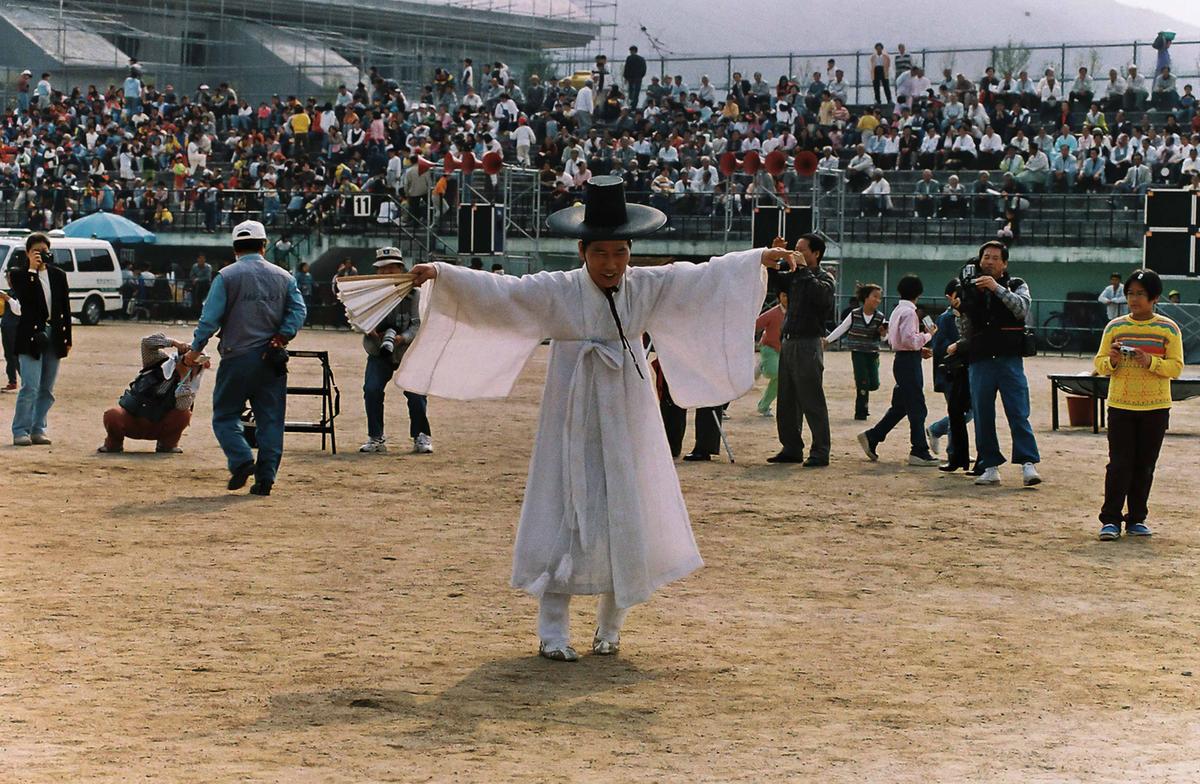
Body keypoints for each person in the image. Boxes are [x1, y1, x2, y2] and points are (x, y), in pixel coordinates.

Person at [396, 175, 792, 661]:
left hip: (628, 408)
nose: (611, 264)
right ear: (583, 251)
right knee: (562, 508)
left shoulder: (647, 285)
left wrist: (757, 260)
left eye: (620, 253)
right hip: (572, 409)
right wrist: (443, 273)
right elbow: (503, 292)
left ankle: (611, 626)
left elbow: (702, 276)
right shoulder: (556, 291)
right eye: (601, 253)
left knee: (625, 507)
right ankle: (552, 630)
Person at [184, 220, 307, 496]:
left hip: (236, 357)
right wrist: (282, 336)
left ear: (235, 247)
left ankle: (241, 459)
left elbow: (209, 320)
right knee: (271, 420)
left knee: (225, 415)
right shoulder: (285, 277)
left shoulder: (226, 276)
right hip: (272, 358)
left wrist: (195, 348)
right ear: (264, 245)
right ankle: (265, 479)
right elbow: (299, 312)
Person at [1093, 269, 1182, 540]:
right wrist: (1113, 360)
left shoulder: (1168, 328)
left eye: (1140, 294)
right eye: (1130, 293)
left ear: (1154, 298)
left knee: (1145, 465)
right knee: (1119, 463)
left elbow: (1176, 367)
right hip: (1121, 404)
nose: (1133, 299)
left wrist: (1151, 362)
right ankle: (1110, 520)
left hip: (1155, 407)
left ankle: (1136, 519)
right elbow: (1100, 364)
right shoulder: (1115, 326)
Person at [951, 241, 1041, 487]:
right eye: (985, 257)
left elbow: (1021, 310)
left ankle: (1028, 463)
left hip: (1009, 357)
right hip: (980, 359)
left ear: (1004, 264)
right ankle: (989, 465)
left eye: (994, 258)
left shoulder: (1016, 285)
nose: (989, 261)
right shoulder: (969, 289)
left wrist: (997, 288)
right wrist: (959, 311)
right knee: (982, 413)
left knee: (1018, 411)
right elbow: (965, 329)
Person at [856, 275, 939, 466]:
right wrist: (928, 335)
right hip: (908, 363)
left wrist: (918, 349)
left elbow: (897, 340)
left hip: (902, 359)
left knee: (901, 406)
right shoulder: (910, 313)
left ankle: (873, 436)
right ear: (919, 293)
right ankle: (919, 450)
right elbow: (910, 340)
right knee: (917, 406)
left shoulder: (897, 310)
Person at [769, 234, 835, 466]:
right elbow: (774, 280)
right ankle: (791, 447)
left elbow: (821, 298)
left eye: (801, 250)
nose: (796, 253)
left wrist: (804, 270)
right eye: (795, 249)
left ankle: (820, 451)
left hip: (808, 342)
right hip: (789, 341)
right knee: (786, 400)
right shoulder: (795, 276)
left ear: (816, 253)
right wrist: (776, 253)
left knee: (811, 399)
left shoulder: (824, 278)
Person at [358, 247, 432, 455]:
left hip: (409, 351)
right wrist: (369, 329)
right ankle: (375, 437)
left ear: (401, 269)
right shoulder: (368, 294)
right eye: (382, 269)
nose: (386, 272)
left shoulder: (414, 294)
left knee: (416, 394)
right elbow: (359, 319)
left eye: (391, 267)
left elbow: (417, 324)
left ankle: (421, 435)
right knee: (371, 390)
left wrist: (402, 338)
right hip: (377, 350)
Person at [7, 232, 71, 446]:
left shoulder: (58, 275)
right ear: (27, 253)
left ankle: (38, 427)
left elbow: (65, 307)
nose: (42, 255)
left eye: (44, 251)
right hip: (31, 335)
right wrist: (33, 270)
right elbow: (26, 300)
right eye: (36, 251)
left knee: (47, 388)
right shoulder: (19, 274)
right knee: (30, 386)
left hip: (54, 334)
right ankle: (20, 430)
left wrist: (67, 337)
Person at [98, 334, 206, 454]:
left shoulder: (191, 383)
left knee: (185, 414)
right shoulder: (158, 361)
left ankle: (167, 445)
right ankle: (114, 444)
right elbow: (146, 343)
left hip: (160, 425)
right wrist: (175, 343)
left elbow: (182, 407)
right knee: (112, 415)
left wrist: (183, 377)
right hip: (134, 418)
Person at [928, 278, 974, 472]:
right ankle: (952, 449)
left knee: (963, 412)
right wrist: (957, 345)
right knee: (961, 412)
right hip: (951, 373)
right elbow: (939, 346)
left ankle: (953, 447)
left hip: (963, 371)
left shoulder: (965, 315)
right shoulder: (947, 318)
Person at [823, 283, 887, 420]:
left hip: (872, 352)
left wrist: (883, 332)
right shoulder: (855, 314)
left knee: (874, 383)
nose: (877, 300)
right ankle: (861, 411)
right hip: (858, 351)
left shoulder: (880, 317)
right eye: (874, 296)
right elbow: (842, 328)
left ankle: (864, 396)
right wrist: (827, 340)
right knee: (862, 381)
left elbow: (884, 337)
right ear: (865, 297)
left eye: (879, 298)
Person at [754, 291, 786, 417]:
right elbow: (756, 324)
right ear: (779, 297)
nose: (786, 299)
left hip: (785, 350)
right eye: (784, 296)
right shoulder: (773, 313)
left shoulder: (796, 312)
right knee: (773, 372)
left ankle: (764, 406)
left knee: (780, 379)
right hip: (769, 347)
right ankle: (763, 366)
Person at [0, 270, 19, 391]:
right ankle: (12, 381)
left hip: (15, 327)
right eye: (7, 278)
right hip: (6, 327)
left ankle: (27, 381)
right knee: (8, 355)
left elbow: (18, 308)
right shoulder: (10, 292)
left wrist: (7, 298)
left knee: (15, 355)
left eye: (10, 278)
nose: (8, 281)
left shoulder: (21, 292)